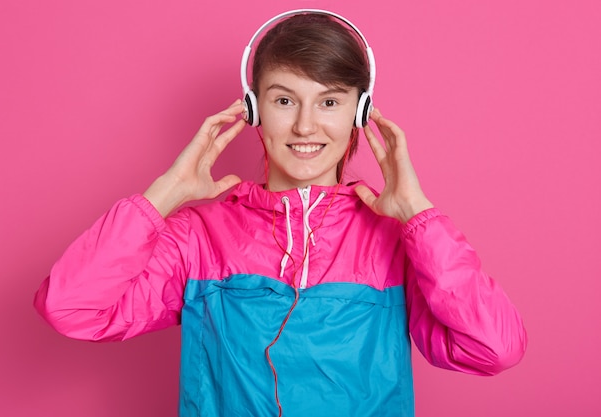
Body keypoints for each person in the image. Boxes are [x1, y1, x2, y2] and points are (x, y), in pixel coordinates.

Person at [34, 9, 527, 417]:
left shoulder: (399, 242)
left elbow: (494, 348)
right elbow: (71, 308)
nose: (305, 125)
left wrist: (419, 215)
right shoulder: (198, 237)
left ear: (360, 112)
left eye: (330, 101)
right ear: (254, 110)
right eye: (285, 100)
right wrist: (164, 195)